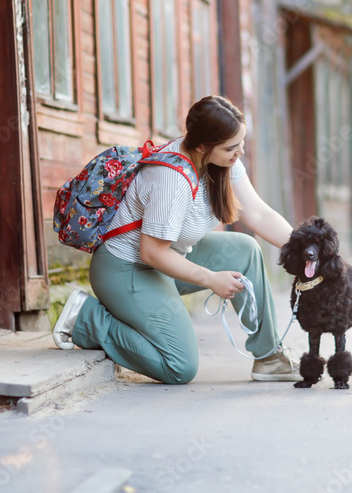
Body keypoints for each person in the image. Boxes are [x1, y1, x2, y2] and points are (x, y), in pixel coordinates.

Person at [52, 95, 299, 384]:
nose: (239, 152)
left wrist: (309, 248)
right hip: (127, 269)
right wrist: (210, 279)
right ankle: (85, 318)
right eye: (231, 147)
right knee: (179, 365)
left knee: (245, 249)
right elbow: (153, 254)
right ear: (203, 146)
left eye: (241, 143)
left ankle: (269, 357)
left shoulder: (221, 163)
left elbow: (259, 214)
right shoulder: (172, 179)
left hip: (168, 259)